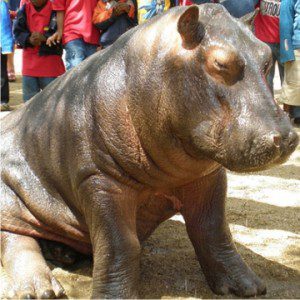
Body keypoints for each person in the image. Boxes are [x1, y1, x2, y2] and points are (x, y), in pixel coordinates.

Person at [13, 0, 65, 102]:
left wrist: (45, 38)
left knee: (52, 103)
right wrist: (28, 39)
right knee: (29, 104)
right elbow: (17, 32)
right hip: (29, 66)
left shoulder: (56, 10)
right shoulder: (23, 10)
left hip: (50, 66)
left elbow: (62, 33)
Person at [53, 0, 100, 70]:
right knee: (75, 71)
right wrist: (60, 31)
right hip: (72, 33)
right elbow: (59, 9)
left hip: (94, 35)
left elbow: (104, 6)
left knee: (93, 73)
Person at [254, 0, 284, 94]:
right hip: (264, 43)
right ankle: (270, 107)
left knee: (287, 80)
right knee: (266, 81)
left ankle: (289, 107)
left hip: (284, 44)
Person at [279, 0, 300, 124]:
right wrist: (287, 52)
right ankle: (284, 121)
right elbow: (285, 23)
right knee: (292, 87)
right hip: (297, 48)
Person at [1, 0, 14, 110]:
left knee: (1, 74)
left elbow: (5, 25)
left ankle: (3, 101)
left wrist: (7, 45)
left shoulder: (1, 5)